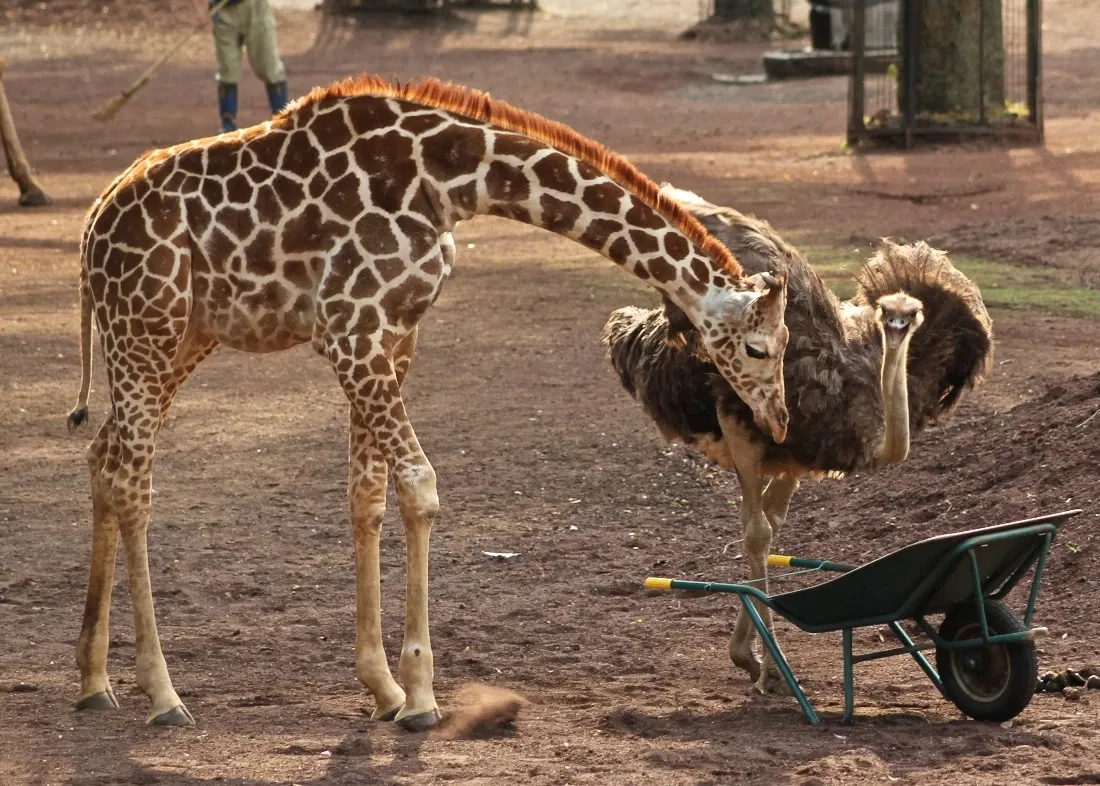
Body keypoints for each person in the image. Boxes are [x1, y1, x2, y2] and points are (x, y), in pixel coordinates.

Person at [190, 0, 289, 132]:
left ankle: (282, 121)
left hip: (255, 8)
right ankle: (228, 125)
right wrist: (200, 10)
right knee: (227, 69)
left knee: (269, 67)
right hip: (222, 11)